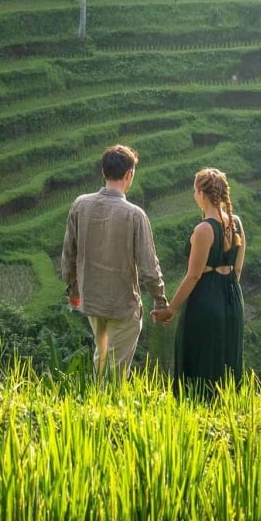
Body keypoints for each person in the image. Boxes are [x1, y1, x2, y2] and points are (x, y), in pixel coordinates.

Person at [61, 145, 167, 376]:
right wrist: (160, 300)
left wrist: (72, 288)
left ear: (104, 172)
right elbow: (149, 268)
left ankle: (96, 405)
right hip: (122, 305)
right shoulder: (134, 215)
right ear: (129, 174)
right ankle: (109, 408)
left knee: (101, 359)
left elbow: (69, 253)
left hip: (92, 301)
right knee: (116, 372)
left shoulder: (80, 205)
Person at [152, 168, 245, 394]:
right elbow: (238, 268)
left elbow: (193, 275)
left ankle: (197, 412)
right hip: (233, 299)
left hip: (205, 301)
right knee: (226, 360)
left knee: (199, 360)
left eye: (195, 191)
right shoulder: (236, 224)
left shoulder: (204, 229)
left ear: (202, 194)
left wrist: (170, 309)